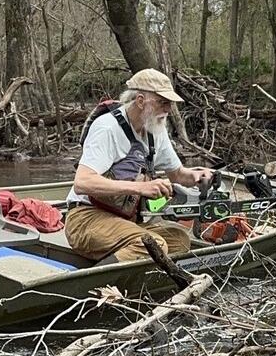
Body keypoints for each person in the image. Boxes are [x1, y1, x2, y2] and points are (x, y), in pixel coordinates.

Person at [64, 69, 216, 264]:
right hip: (85, 219)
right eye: (163, 102)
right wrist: (141, 187)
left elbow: (178, 174)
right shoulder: (107, 128)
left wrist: (198, 175)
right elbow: (82, 182)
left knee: (179, 240)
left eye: (170, 103)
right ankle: (97, 287)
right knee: (153, 245)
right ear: (140, 100)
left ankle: (140, 284)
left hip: (124, 221)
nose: (168, 109)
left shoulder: (155, 128)